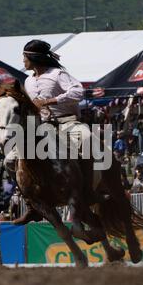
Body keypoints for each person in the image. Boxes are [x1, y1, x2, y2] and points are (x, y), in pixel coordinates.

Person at [10, 39, 96, 225]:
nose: (23, 61)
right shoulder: (28, 81)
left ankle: (88, 191)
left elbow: (78, 92)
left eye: (24, 57)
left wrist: (50, 101)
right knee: (11, 158)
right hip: (40, 126)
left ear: (33, 58)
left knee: (88, 138)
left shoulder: (58, 74)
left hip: (67, 121)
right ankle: (31, 205)